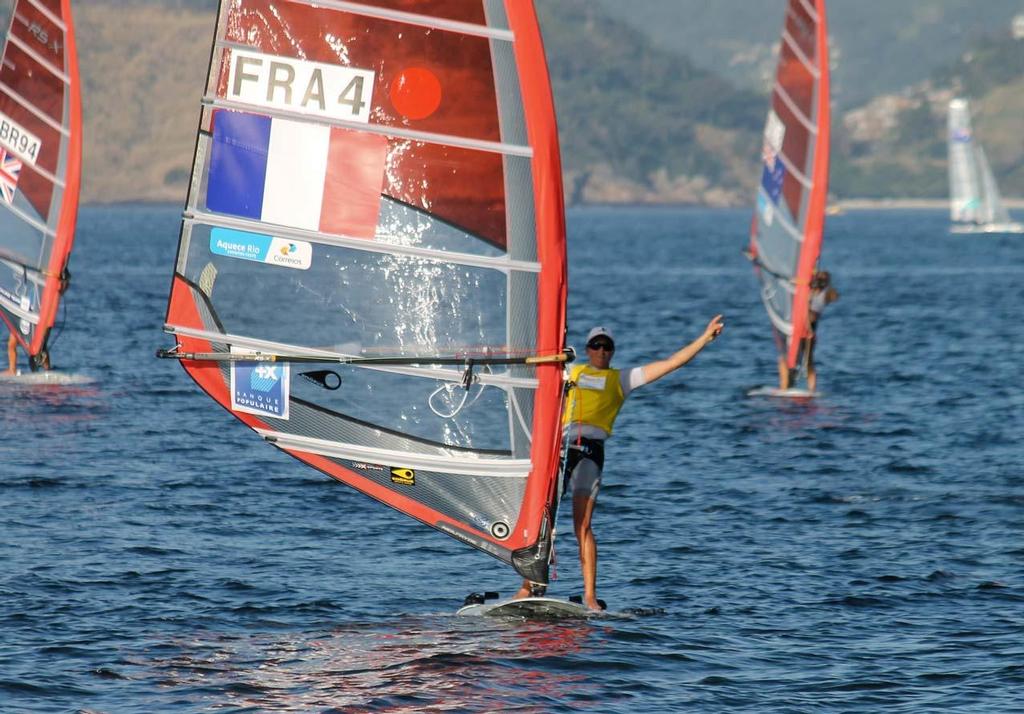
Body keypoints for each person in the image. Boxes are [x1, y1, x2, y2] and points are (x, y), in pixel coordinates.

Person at [514, 314, 725, 610]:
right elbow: (532, 371)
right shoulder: (569, 371)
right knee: (541, 521)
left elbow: (671, 363)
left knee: (582, 526)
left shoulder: (621, 379)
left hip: (590, 452)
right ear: (587, 349)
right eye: (596, 345)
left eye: (607, 346)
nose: (602, 351)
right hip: (559, 449)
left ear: (612, 351)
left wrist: (704, 338)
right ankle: (531, 586)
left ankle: (589, 596)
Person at [778, 270, 838, 391]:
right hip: (798, 327)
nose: (819, 281)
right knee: (787, 357)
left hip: (810, 329)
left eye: (823, 280)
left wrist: (822, 284)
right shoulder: (809, 289)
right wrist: (808, 280)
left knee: (808, 361)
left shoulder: (826, 294)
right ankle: (785, 385)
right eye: (819, 279)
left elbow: (834, 296)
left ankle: (811, 389)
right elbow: (798, 283)